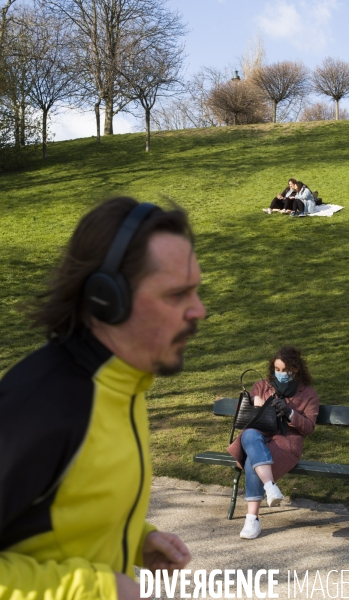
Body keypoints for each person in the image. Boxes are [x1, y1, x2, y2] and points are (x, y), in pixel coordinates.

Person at [0, 197, 206, 600]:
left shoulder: (125, 387)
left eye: (196, 290)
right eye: (177, 294)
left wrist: (134, 540)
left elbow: (52, 521)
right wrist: (96, 589)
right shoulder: (40, 406)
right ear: (106, 299)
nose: (198, 310)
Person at [227, 346, 319, 540]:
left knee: (253, 457)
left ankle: (252, 519)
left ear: (296, 370)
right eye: (278, 369)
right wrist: (254, 399)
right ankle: (270, 487)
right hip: (259, 434)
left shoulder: (308, 394)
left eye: (286, 370)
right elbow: (241, 409)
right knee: (249, 435)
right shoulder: (263, 385)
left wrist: (290, 413)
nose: (281, 374)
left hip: (286, 443)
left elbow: (309, 427)